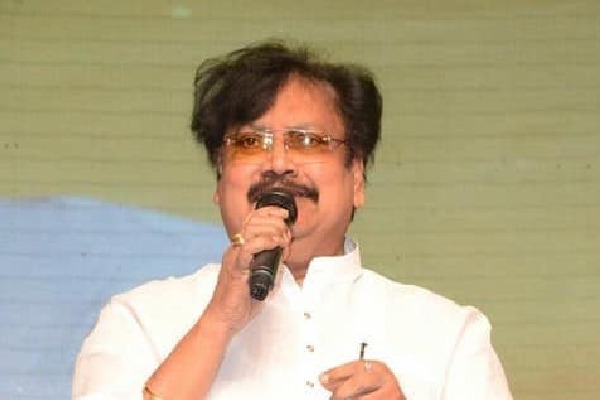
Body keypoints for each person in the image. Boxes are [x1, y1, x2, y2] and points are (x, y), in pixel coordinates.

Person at [72, 40, 512, 400]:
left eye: (307, 140)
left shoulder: (449, 334)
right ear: (219, 180)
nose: (279, 164)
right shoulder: (139, 320)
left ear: (356, 177)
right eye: (250, 142)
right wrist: (218, 321)